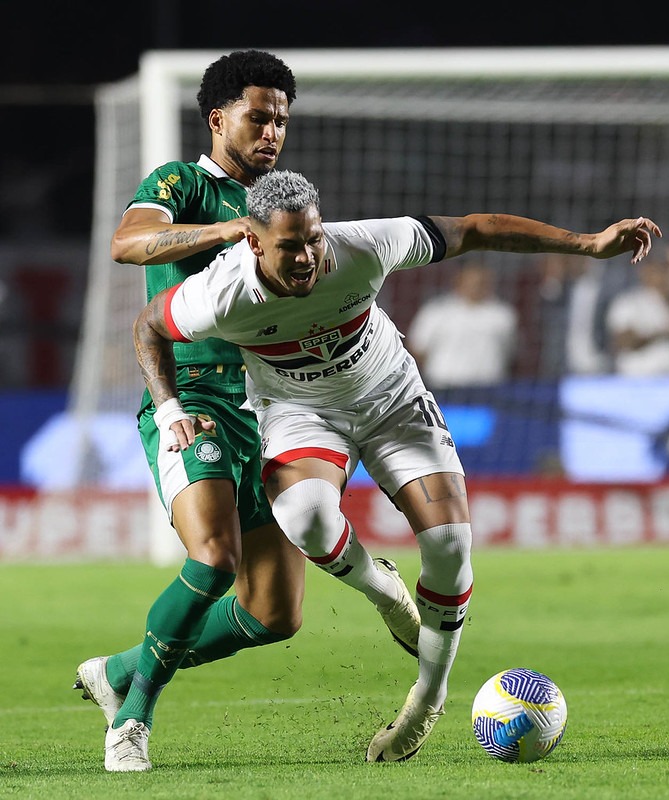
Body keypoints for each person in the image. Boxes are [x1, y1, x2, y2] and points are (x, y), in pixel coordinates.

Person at [132, 169, 660, 763]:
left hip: (391, 399)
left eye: (313, 239)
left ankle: (425, 702)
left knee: (451, 543)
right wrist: (170, 405)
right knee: (304, 516)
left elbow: (476, 229)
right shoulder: (220, 294)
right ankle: (383, 589)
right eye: (290, 246)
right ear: (254, 242)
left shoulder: (364, 244)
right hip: (301, 412)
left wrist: (587, 243)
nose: (308, 257)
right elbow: (148, 326)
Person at [74, 52, 422, 773]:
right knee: (213, 559)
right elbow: (127, 243)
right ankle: (131, 722)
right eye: (258, 117)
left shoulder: (286, 211)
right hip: (193, 401)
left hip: (272, 409)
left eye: (281, 121)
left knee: (273, 615)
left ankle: (118, 672)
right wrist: (222, 235)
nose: (271, 132)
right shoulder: (182, 184)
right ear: (218, 118)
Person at [405, 259, 517, 389]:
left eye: (481, 282)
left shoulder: (503, 314)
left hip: (488, 388)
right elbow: (417, 347)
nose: (476, 286)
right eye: (472, 281)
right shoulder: (437, 311)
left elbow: (509, 350)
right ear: (459, 281)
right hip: (443, 386)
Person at [605, 253, 669, 375]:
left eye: (665, 271)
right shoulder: (628, 302)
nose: (661, 276)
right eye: (656, 271)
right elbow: (626, 342)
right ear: (644, 273)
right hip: (640, 378)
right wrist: (660, 333)